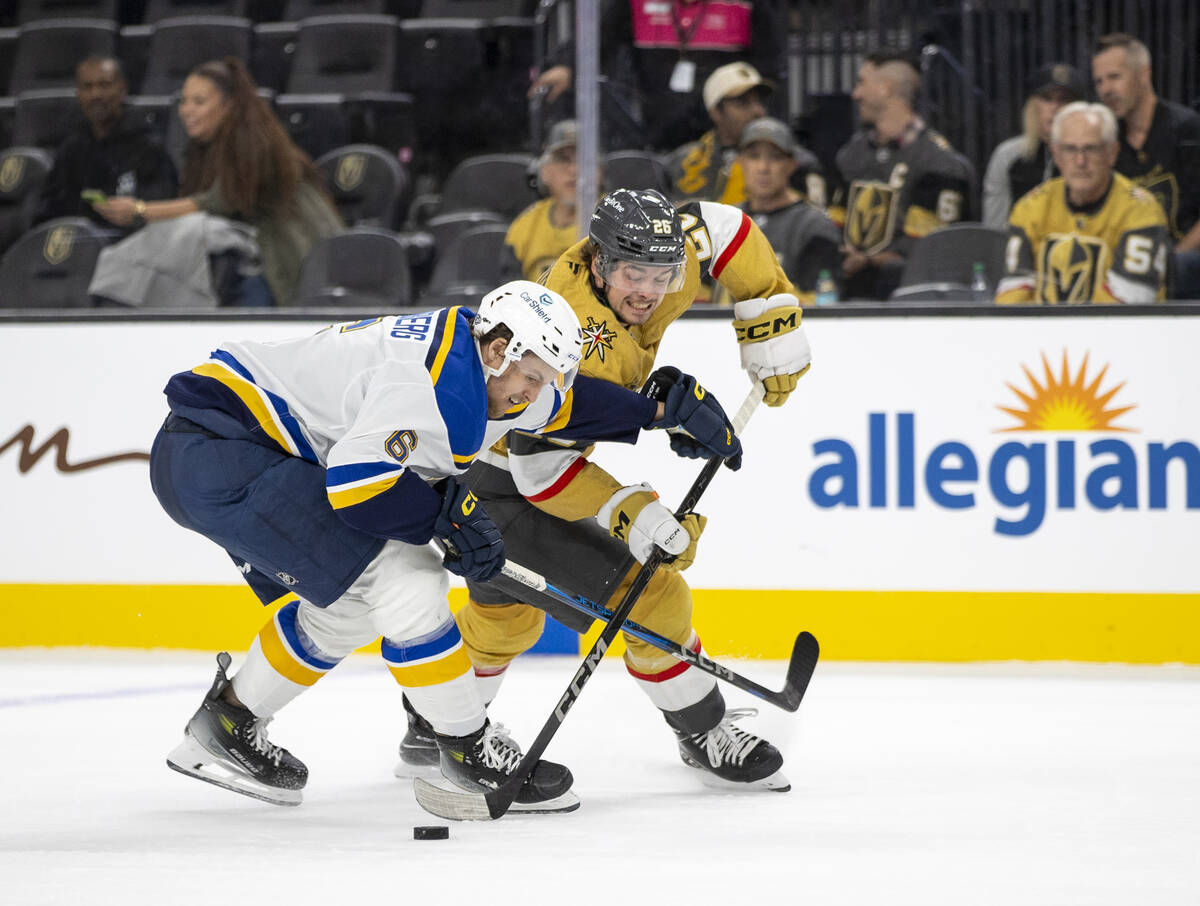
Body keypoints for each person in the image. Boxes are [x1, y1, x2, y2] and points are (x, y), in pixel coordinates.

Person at [150, 280, 744, 809]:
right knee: (408, 580)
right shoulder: (431, 387)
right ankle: (465, 750)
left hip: (225, 448)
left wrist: (658, 412)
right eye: (531, 376)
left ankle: (228, 723)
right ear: (497, 351)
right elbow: (358, 486)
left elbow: (562, 404)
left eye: (546, 378)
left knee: (352, 605)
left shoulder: (481, 356)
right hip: (222, 454)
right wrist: (447, 518)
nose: (533, 394)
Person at [395, 189, 811, 792]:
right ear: (598, 262)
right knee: (656, 600)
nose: (646, 291)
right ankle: (703, 729)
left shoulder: (668, 261)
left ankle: (433, 721)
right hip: (507, 483)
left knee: (507, 620)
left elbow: (723, 227)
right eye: (630, 274)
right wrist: (634, 515)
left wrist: (769, 312)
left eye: (661, 275)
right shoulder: (569, 335)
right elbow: (542, 473)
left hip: (484, 468)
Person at [91, 57, 342, 305]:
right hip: (252, 258)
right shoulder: (206, 149)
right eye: (183, 101)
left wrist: (138, 210)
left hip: (291, 258)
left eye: (199, 102)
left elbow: (215, 203)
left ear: (229, 105)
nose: (186, 110)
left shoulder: (254, 144)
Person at [528, 0, 786, 152]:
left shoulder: (747, 4)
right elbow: (599, 35)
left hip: (723, 125)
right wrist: (566, 65)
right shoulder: (635, 3)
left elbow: (769, 64)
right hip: (658, 123)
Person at [828, 52, 974, 301]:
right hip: (845, 295)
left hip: (909, 303)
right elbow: (833, 224)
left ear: (886, 88)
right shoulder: (852, 154)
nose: (856, 94)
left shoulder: (939, 163)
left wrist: (867, 261)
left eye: (862, 82)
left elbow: (925, 251)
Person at [995, 102, 1169, 305]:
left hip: (1118, 333)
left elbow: (1128, 302)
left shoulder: (1141, 211)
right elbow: (1013, 292)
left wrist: (1071, 332)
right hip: (1043, 333)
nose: (1080, 161)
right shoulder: (1030, 207)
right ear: (1056, 154)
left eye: (1091, 149)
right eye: (1070, 149)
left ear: (1112, 153)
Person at [1092, 33, 1200, 298]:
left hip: (1186, 268)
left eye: (1114, 77)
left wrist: (1170, 263)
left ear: (1143, 75)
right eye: (1099, 81)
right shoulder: (1106, 141)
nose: (1105, 89)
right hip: (1123, 272)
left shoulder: (1187, 129)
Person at [34, 56, 177, 227]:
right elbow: (48, 209)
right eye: (87, 87)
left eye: (104, 85)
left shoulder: (148, 145)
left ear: (123, 89)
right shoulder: (71, 147)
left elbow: (160, 208)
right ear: (78, 94)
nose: (96, 95)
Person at [737, 116, 842, 304]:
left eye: (775, 157)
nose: (763, 168)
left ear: (792, 164)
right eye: (754, 156)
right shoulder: (724, 221)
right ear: (741, 162)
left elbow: (822, 305)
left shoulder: (814, 226)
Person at [982, 62, 1087, 229]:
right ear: (1032, 106)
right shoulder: (1008, 156)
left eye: (1064, 100)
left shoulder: (1092, 158)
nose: (1055, 108)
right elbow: (995, 230)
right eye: (1047, 99)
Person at [664, 61, 769, 204]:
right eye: (743, 103)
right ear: (716, 112)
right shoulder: (681, 163)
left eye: (759, 102)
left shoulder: (788, 160)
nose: (758, 111)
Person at [500, 120, 583, 283]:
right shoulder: (523, 228)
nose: (574, 170)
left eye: (583, 160)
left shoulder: (616, 222)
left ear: (600, 170)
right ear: (544, 171)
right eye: (563, 159)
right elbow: (509, 296)